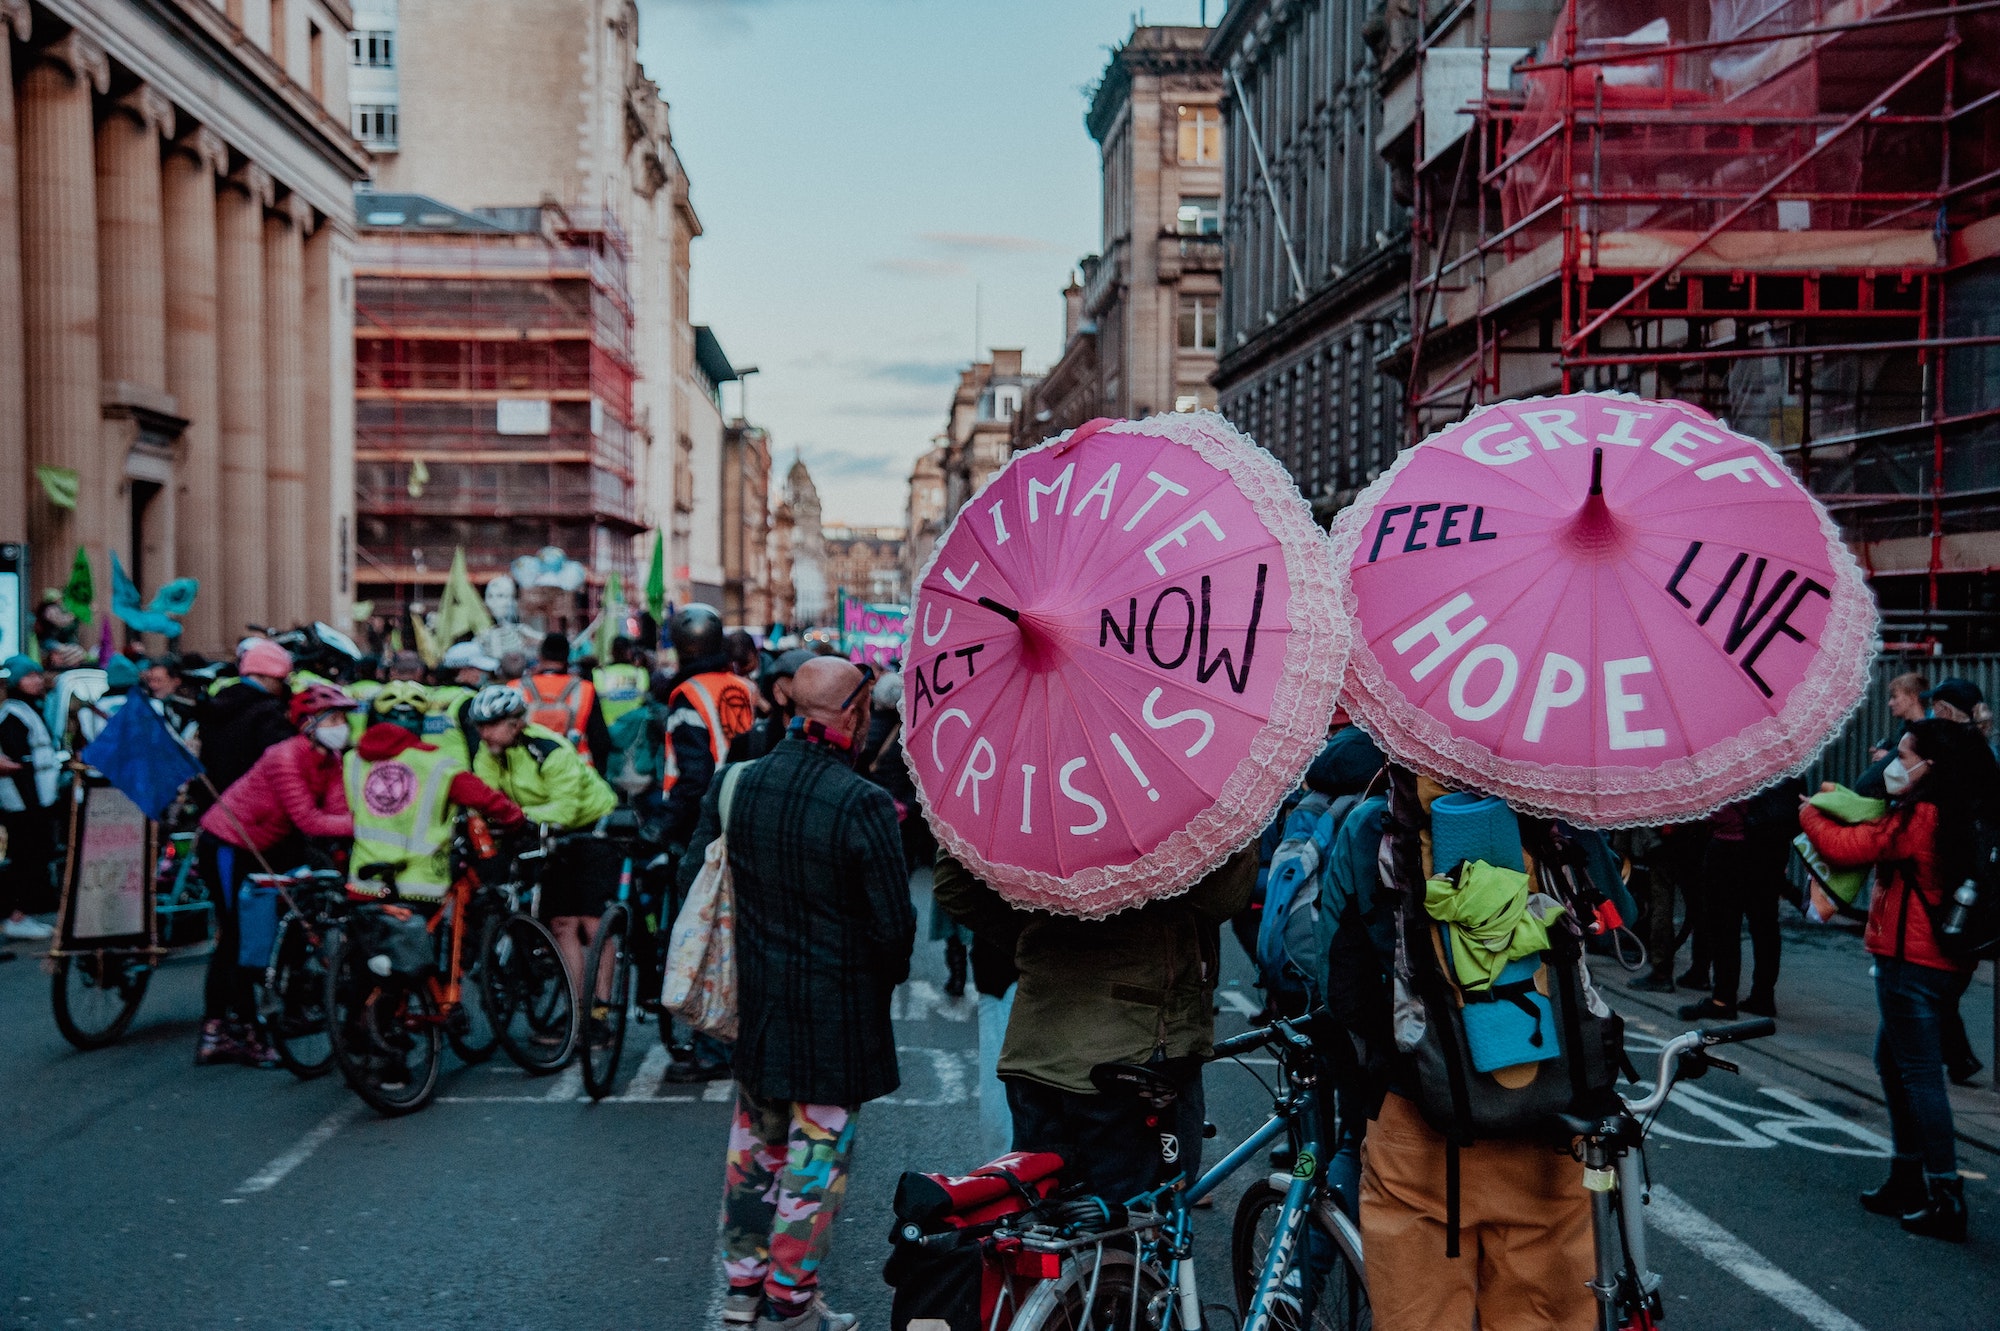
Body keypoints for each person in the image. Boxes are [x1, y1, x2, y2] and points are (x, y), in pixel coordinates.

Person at [676, 656, 914, 1331]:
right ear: (858, 713)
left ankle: (741, 1294)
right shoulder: (862, 802)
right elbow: (894, 929)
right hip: (835, 1016)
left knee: (753, 1155)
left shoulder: (740, 782)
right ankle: (791, 1300)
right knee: (815, 1166)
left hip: (759, 1004)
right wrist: (878, 975)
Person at [933, 842, 1255, 1204]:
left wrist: (1039, 939)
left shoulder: (1032, 789)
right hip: (1135, 1049)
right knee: (1136, 1227)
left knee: (1048, 1222)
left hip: (1041, 1046)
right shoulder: (1169, 798)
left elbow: (953, 884)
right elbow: (1222, 897)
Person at [1799, 718, 1991, 1242]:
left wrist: (1810, 812)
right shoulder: (1957, 810)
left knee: (1920, 1076)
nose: (1892, 766)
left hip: (1912, 964)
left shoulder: (1924, 814)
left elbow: (1850, 847)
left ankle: (1944, 1195)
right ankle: (1908, 1177)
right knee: (1894, 1061)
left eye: (1902, 757)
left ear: (1932, 765)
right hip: (1941, 963)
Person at [193, 684, 360, 1067]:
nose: (342, 726)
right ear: (309, 724)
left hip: (265, 847)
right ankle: (223, 1031)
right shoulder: (285, 756)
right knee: (235, 935)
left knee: (278, 929)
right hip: (227, 843)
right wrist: (365, 824)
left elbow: (337, 812)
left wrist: (356, 825)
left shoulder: (331, 760)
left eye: (343, 719)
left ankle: (280, 1009)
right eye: (333, 719)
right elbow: (309, 819)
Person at [464, 685, 617, 1010]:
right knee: (561, 924)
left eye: (491, 725)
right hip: (536, 827)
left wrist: (517, 818)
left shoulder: (550, 749)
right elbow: (487, 798)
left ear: (516, 723)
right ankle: (576, 1011)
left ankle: (601, 1008)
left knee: (592, 923)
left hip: (589, 827)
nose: (483, 733)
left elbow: (565, 809)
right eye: (479, 726)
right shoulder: (489, 751)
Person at [346, 684, 522, 905]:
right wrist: (517, 820)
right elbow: (489, 801)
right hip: (419, 886)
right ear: (421, 723)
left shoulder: (353, 760)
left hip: (364, 882)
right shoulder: (438, 765)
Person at [1680, 780, 1801, 1021]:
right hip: (1769, 851)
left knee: (1724, 927)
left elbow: (1716, 814)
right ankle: (1763, 996)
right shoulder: (1777, 759)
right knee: (1765, 925)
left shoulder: (1731, 758)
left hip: (1730, 848)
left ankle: (1723, 999)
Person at [0, 656, 60, 945]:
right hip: (24, 804)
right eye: (29, 676)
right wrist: (33, 805)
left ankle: (20, 915)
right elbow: (20, 763)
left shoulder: (27, 709)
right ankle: (17, 916)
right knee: (26, 858)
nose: (37, 680)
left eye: (38, 675)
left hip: (34, 801)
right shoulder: (14, 714)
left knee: (32, 857)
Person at [195, 638, 297, 799]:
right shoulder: (269, 711)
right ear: (266, 676)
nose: (283, 686)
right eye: (280, 679)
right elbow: (283, 759)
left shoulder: (221, 699)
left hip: (216, 801)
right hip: (253, 802)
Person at [518, 632, 612, 775]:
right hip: (576, 772)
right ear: (568, 657)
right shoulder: (585, 689)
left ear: (540, 656)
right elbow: (600, 740)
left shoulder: (516, 688)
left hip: (528, 775)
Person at [728, 648, 813, 763]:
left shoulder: (831, 743)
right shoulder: (750, 743)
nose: (813, 693)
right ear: (778, 692)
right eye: (800, 685)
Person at [592, 637, 650, 729]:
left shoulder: (599, 673)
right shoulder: (640, 673)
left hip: (609, 729)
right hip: (635, 730)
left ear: (611, 652)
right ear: (629, 652)